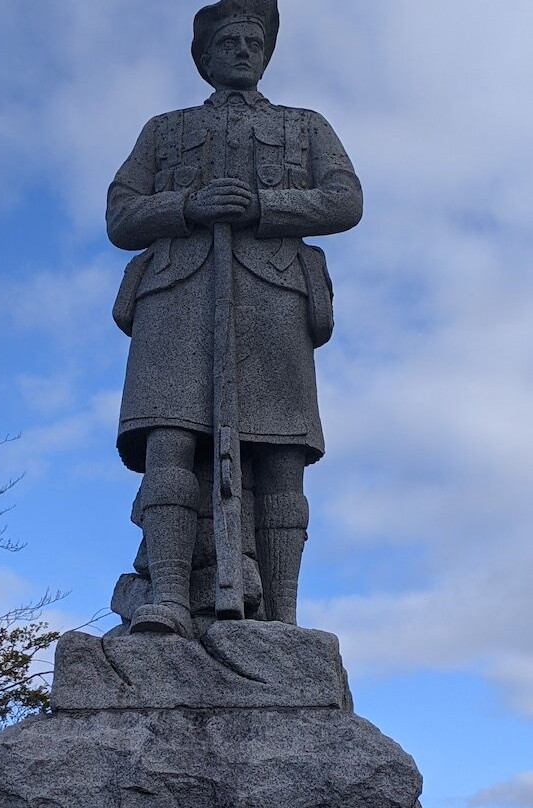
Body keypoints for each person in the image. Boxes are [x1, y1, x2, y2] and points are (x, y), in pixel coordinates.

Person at [106, 0, 363, 639]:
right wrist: (188, 205)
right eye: (229, 41)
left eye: (255, 40)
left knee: (281, 453)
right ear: (206, 54)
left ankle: (281, 616)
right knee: (169, 437)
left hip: (274, 296)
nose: (244, 50)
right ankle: (165, 595)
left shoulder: (306, 127)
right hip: (176, 296)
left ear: (268, 51)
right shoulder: (163, 131)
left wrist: (265, 205)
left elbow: (345, 198)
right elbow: (120, 214)